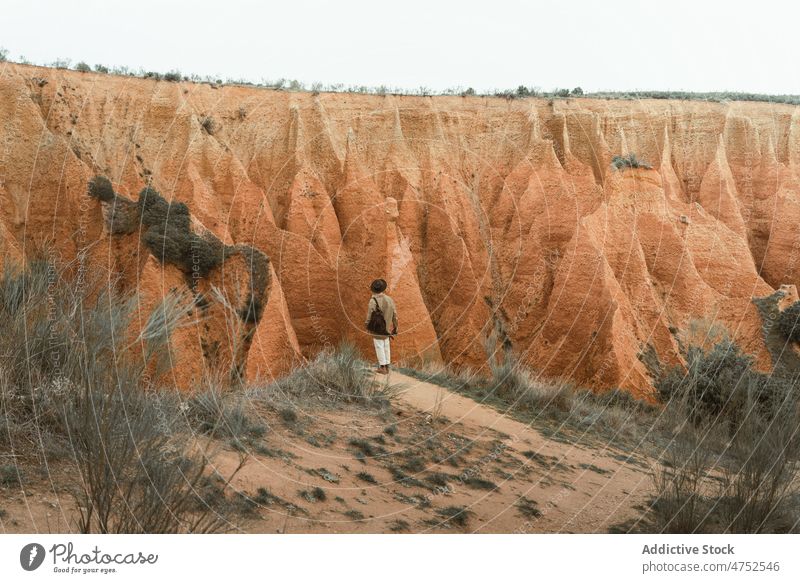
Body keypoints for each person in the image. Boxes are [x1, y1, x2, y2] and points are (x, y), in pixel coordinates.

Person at [365, 278, 398, 374]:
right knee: (386, 346)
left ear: (374, 290)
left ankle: (382, 367)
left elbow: (369, 315)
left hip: (377, 328)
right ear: (383, 289)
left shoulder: (373, 301)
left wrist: (367, 325)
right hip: (386, 329)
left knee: (379, 346)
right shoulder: (390, 300)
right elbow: (395, 315)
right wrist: (396, 326)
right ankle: (387, 367)